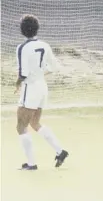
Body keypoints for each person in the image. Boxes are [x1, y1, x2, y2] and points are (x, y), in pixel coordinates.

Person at [15, 15, 68, 170]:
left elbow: (23, 73)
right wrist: (39, 74)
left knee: (20, 126)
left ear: (22, 30)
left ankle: (31, 164)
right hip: (42, 88)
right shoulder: (45, 45)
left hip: (30, 89)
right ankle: (60, 151)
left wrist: (17, 84)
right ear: (37, 28)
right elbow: (53, 67)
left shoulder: (22, 48)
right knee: (34, 122)